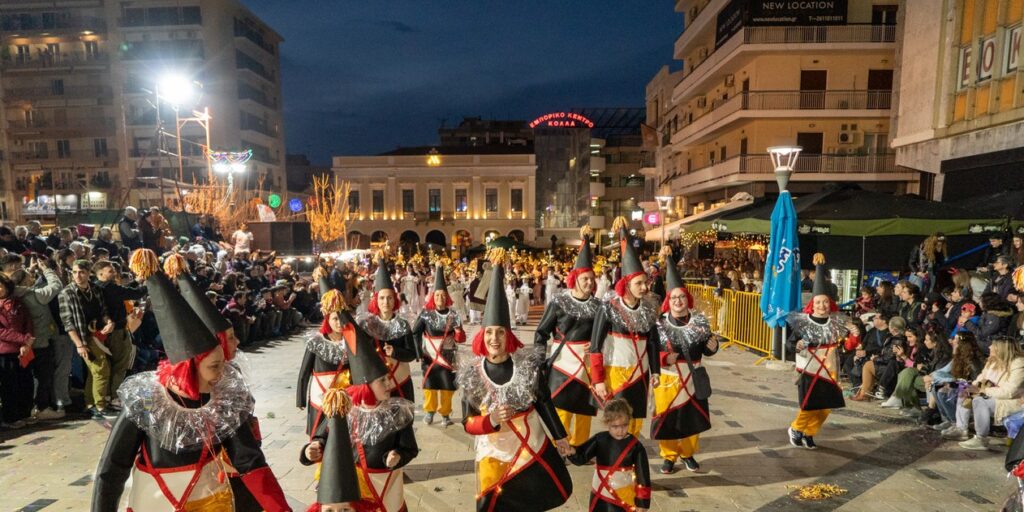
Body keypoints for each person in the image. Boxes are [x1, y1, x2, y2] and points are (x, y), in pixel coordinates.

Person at [91, 251, 291, 511]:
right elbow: (112, 469)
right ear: (188, 368)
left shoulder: (223, 401)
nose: (223, 373)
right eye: (214, 366)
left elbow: (250, 461)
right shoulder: (145, 402)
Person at [458, 248, 574, 511]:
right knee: (491, 503)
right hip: (493, 452)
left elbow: (544, 402)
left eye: (500, 332)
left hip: (530, 445)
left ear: (508, 337)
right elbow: (467, 422)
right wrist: (492, 420)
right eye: (489, 333)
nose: (494, 339)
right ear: (481, 336)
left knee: (528, 501)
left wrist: (560, 436)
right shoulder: (472, 375)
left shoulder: (528, 368)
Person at [301, 312, 418, 512]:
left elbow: (410, 448)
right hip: (355, 491)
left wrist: (398, 455)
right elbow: (321, 438)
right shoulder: (342, 410)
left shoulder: (399, 412)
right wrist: (309, 450)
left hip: (387, 487)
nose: (390, 383)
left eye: (387, 378)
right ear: (365, 385)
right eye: (382, 380)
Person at [590, 218, 661, 437]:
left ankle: (630, 464)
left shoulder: (649, 309)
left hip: (640, 375)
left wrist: (656, 371)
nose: (644, 287)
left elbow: (653, 342)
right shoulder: (609, 307)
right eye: (639, 283)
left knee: (636, 423)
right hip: (615, 373)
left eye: (645, 282)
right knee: (617, 422)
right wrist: (598, 379)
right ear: (626, 284)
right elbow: (595, 346)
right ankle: (614, 464)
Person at [535, 226, 602, 447]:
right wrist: (538, 359)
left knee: (584, 410)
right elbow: (542, 332)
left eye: (592, 279)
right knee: (561, 406)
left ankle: (581, 447)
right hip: (562, 363)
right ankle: (561, 447)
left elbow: (603, 334)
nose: (590, 283)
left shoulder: (598, 306)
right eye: (585, 279)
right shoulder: (558, 302)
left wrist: (596, 344)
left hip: (586, 365)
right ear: (574, 279)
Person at [652, 251, 717, 474]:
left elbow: (708, 349)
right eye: (673, 298)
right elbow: (652, 350)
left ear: (687, 299)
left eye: (681, 297)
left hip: (692, 377)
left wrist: (713, 347)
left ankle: (688, 454)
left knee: (692, 419)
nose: (678, 301)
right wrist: (663, 358)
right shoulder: (659, 324)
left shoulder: (699, 321)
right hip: (668, 379)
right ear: (668, 301)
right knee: (667, 420)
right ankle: (668, 456)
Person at [786, 253, 849, 450]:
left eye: (825, 302)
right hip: (809, 370)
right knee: (809, 405)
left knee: (826, 407)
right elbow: (790, 344)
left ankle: (809, 432)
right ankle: (796, 428)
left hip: (829, 371)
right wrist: (795, 346)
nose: (822, 306)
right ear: (813, 304)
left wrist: (855, 336)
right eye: (819, 302)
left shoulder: (836, 322)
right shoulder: (803, 323)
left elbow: (847, 345)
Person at [567, 398, 652, 512]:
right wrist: (571, 452)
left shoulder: (636, 446)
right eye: (615, 426)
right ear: (607, 423)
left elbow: (643, 477)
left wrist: (642, 503)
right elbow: (581, 458)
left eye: (624, 425)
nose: (620, 430)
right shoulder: (599, 439)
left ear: (629, 421)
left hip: (623, 496)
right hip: (600, 494)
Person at [58, 259, 116, 419]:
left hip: (99, 333)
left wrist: (109, 322)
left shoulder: (95, 289)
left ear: (89, 273)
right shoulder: (67, 293)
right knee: (101, 369)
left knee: (95, 371)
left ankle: (92, 404)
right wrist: (79, 345)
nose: (78, 275)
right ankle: (99, 405)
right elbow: (67, 322)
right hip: (84, 336)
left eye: (82, 272)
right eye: (75, 272)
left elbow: (103, 310)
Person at [412, 265, 466, 427]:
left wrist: (458, 332)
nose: (440, 299)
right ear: (433, 297)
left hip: (448, 357)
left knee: (447, 387)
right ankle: (429, 411)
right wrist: (417, 352)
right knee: (430, 386)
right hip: (430, 356)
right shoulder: (426, 314)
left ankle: (445, 414)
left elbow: (461, 338)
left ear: (447, 297)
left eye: (443, 296)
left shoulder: (453, 314)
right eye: (437, 296)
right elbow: (415, 332)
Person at [11, 256, 64, 420]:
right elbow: (56, 285)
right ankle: (42, 408)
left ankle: (30, 408)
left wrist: (30, 270)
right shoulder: (35, 295)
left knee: (28, 378)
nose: (32, 278)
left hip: (23, 344)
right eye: (29, 277)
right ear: (26, 282)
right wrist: (46, 269)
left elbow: (21, 281)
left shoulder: (13, 295)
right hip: (40, 342)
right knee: (44, 376)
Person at [358, 256, 416, 403]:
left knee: (403, 422)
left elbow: (412, 354)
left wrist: (396, 352)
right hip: (377, 385)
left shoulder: (403, 324)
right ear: (376, 300)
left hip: (401, 381)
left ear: (395, 300)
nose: (386, 302)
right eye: (382, 298)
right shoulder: (366, 325)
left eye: (389, 298)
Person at [950, 336, 1024, 450]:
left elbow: (1010, 391)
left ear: (1001, 349)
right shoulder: (992, 361)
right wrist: (971, 387)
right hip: (992, 394)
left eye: (993, 345)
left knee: (980, 401)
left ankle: (981, 439)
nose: (989, 347)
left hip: (1012, 401)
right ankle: (961, 429)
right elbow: (981, 378)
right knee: (963, 391)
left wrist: (982, 391)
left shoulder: (1018, 363)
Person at [93, 260, 147, 409]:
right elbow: (133, 294)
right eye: (110, 271)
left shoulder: (96, 286)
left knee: (111, 364)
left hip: (104, 331)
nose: (114, 273)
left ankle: (109, 396)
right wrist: (148, 284)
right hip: (117, 331)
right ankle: (115, 397)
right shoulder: (110, 288)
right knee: (121, 363)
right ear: (100, 273)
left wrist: (136, 282)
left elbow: (124, 290)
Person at [0, 273, 35, 428]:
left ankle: (24, 413)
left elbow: (28, 322)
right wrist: (23, 339)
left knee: (26, 383)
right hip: (5, 352)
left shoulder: (18, 303)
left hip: (23, 350)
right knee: (9, 386)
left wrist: (27, 342)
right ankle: (10, 417)